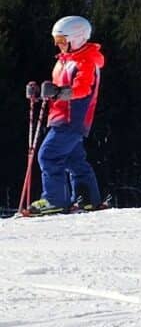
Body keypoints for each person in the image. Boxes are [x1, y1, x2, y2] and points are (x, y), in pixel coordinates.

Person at [34, 14, 106, 213]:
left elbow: (82, 89)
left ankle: (55, 200)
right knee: (73, 160)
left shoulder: (86, 60)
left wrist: (56, 92)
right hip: (61, 117)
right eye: (56, 40)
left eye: (62, 40)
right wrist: (41, 93)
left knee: (48, 156)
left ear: (77, 38)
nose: (59, 45)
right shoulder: (66, 60)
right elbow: (59, 89)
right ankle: (88, 199)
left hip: (72, 119)